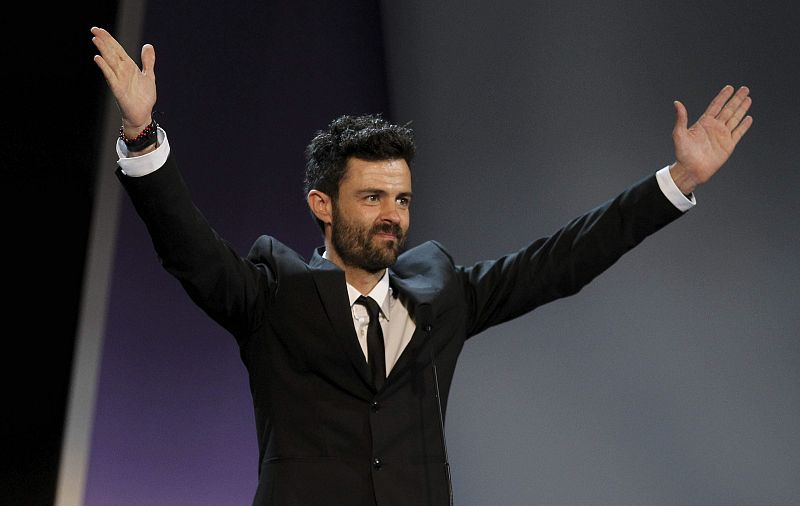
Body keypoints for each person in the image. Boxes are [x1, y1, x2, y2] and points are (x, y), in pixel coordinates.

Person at [90, 25, 752, 506]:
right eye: (372, 197)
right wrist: (143, 135)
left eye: (401, 199)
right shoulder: (272, 297)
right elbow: (189, 250)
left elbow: (562, 261)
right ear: (322, 204)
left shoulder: (441, 295)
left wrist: (675, 181)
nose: (392, 215)